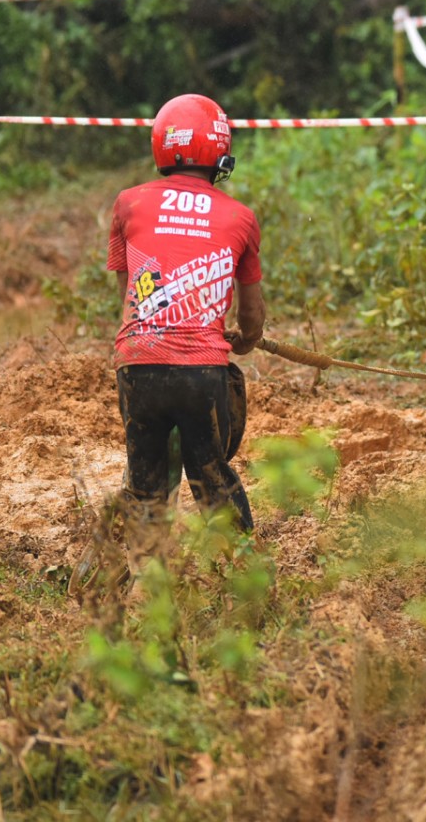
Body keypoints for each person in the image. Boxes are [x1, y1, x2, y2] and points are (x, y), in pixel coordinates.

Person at [106, 93, 264, 531]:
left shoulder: (127, 203)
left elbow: (129, 299)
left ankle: (118, 585)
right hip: (202, 375)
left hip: (138, 367)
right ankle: (241, 575)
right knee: (214, 479)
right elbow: (252, 313)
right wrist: (246, 338)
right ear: (221, 153)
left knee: (144, 489)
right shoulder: (241, 217)